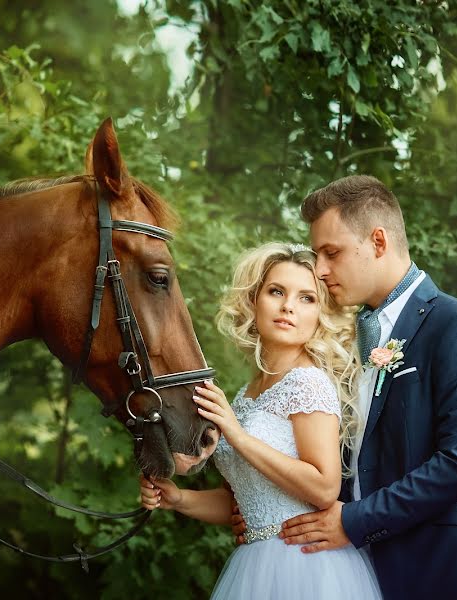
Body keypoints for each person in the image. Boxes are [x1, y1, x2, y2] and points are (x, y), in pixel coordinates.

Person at [278, 175, 457, 599]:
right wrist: (270, 517)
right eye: (316, 255)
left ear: (379, 242)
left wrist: (354, 522)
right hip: (358, 573)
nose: (320, 270)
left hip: (443, 571)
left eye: (331, 253)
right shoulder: (343, 339)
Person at [139, 242, 382, 599]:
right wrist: (178, 499)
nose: (288, 307)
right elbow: (244, 501)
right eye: (276, 291)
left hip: (307, 567)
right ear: (253, 301)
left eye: (306, 298)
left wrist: (237, 435)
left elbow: (324, 487)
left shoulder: (308, 382)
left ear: (319, 314)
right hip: (253, 565)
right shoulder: (245, 395)